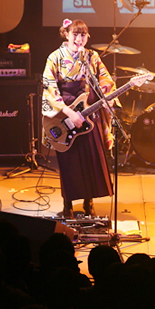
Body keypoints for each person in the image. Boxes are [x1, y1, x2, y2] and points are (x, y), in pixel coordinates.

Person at [41, 19, 116, 218]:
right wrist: (69, 112)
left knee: (92, 159)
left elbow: (105, 78)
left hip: (89, 112)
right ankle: (68, 204)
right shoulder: (55, 57)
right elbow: (49, 87)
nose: (79, 39)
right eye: (75, 34)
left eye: (83, 35)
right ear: (66, 34)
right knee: (69, 162)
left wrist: (106, 91)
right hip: (65, 113)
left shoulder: (92, 56)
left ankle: (88, 202)